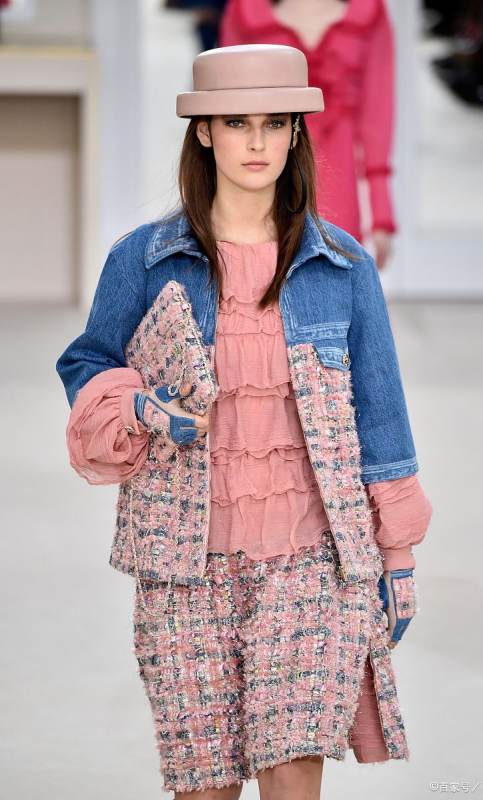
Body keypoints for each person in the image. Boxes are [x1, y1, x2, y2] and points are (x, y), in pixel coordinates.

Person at [56, 44, 432, 799]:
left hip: (313, 561)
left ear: (296, 133)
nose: (257, 142)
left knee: (292, 771)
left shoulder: (342, 266)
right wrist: (135, 404)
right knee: (205, 787)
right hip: (183, 566)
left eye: (275, 123)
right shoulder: (145, 261)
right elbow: (86, 363)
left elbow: (380, 414)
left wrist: (397, 557)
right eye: (236, 123)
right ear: (203, 132)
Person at [218, 0, 398, 269]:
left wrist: (380, 212)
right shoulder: (246, 11)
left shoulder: (368, 13)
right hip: (266, 181)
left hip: (341, 181)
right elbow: (228, 113)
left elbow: (378, 111)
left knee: (333, 279)